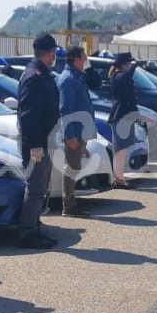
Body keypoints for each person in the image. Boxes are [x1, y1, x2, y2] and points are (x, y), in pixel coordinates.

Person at [15, 35, 60, 248]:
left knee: (42, 188)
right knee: (34, 189)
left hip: (45, 140)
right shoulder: (34, 75)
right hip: (37, 143)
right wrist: (34, 145)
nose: (55, 56)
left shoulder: (42, 73)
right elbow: (27, 115)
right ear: (49, 52)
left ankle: (35, 226)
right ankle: (26, 233)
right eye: (54, 52)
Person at [56, 46, 95, 218]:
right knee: (71, 167)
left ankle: (71, 202)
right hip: (75, 132)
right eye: (83, 58)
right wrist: (69, 135)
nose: (85, 61)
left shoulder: (76, 77)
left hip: (81, 130)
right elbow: (65, 110)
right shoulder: (68, 79)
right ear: (76, 60)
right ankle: (68, 206)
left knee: (75, 166)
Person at [107, 52, 140, 187]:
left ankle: (119, 175)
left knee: (123, 148)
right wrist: (133, 66)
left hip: (125, 115)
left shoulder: (121, 76)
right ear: (122, 65)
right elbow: (126, 76)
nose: (129, 66)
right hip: (120, 115)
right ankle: (118, 178)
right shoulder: (118, 76)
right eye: (127, 63)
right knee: (120, 148)